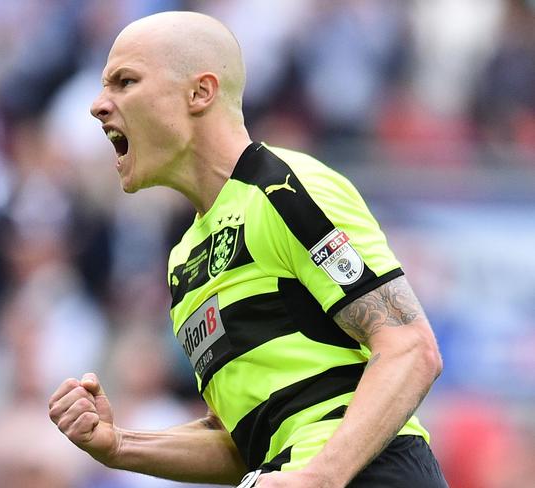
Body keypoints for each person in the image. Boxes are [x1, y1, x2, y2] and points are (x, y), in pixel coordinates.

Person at [48, 11, 448, 488]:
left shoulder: (284, 189)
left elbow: (410, 348)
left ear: (200, 92)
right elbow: (247, 441)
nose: (97, 105)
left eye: (124, 81)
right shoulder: (184, 260)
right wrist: (119, 446)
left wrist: (319, 477)